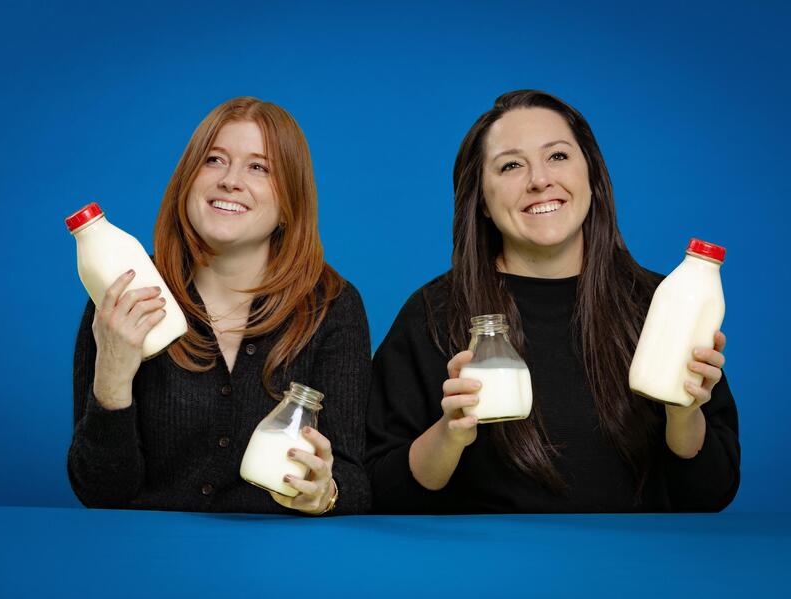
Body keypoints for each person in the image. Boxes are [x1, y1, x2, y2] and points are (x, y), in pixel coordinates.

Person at [366, 90, 739, 513]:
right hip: (487, 570)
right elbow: (379, 489)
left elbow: (712, 495)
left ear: (593, 178)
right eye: (510, 165)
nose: (540, 180)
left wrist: (684, 413)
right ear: (482, 202)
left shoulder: (662, 306)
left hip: (636, 570)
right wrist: (449, 434)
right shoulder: (433, 316)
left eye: (557, 156)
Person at [68, 97, 371, 515]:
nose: (230, 181)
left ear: (290, 203)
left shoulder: (331, 307)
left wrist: (326, 493)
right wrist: (112, 380)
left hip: (275, 564)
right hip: (149, 558)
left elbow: (355, 477)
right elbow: (99, 492)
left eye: (259, 167)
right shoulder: (127, 292)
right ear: (187, 180)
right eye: (214, 160)